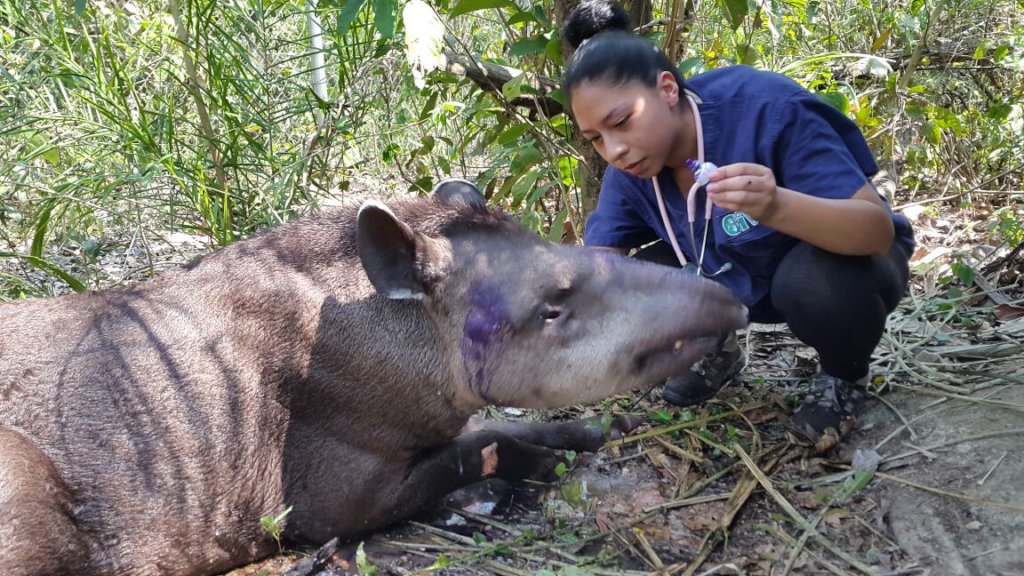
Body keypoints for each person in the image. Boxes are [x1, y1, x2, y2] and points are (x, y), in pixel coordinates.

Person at [560, 0, 914, 445]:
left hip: (843, 269)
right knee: (637, 278)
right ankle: (716, 350)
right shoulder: (629, 175)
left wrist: (775, 206)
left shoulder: (764, 109)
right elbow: (600, 268)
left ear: (667, 90)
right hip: (736, 276)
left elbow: (876, 232)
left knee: (813, 283)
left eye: (622, 122)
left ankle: (843, 376)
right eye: (596, 139)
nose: (615, 150)